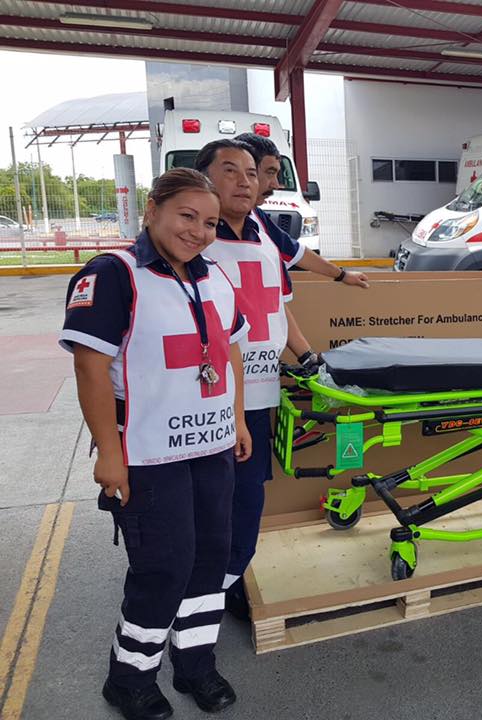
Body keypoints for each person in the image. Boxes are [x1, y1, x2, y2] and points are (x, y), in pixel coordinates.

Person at [61, 168, 252, 720]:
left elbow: (230, 350)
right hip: (146, 453)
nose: (198, 231)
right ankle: (129, 679)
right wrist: (109, 453)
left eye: (209, 223)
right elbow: (91, 368)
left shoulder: (214, 275)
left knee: (210, 558)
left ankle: (195, 664)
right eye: (186, 216)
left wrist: (237, 420)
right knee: (163, 567)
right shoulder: (114, 274)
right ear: (152, 210)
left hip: (211, 447)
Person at [194, 138, 365, 621]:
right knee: (209, 501)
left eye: (252, 173)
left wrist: (308, 357)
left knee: (247, 498)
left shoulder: (263, 233)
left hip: (258, 395)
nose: (246, 182)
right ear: (205, 179)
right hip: (208, 399)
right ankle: (200, 594)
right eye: (230, 171)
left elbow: (275, 306)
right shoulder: (194, 239)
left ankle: (225, 585)